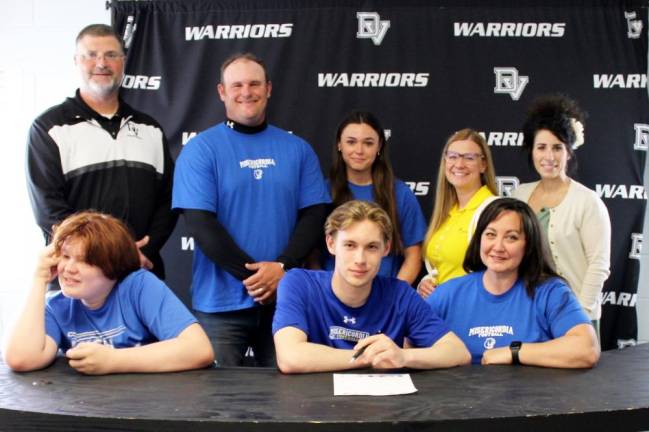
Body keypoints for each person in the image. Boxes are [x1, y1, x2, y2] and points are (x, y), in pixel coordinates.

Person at [172, 52, 330, 367]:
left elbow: (314, 216)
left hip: (285, 301)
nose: (247, 91)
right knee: (220, 406)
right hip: (220, 305)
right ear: (222, 92)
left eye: (255, 83)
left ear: (268, 88)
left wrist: (282, 270)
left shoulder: (297, 149)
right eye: (237, 84)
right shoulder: (201, 150)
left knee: (288, 403)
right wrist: (260, 280)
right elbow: (201, 225)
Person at [26, 24, 177, 280]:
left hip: (141, 274)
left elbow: (169, 199)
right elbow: (49, 210)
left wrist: (145, 251)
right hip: (78, 276)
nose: (101, 63)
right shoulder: (49, 128)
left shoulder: (150, 128)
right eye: (91, 55)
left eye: (111, 55)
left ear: (123, 62)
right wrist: (105, 258)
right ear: (76, 61)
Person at [3, 212, 214, 375]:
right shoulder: (56, 305)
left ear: (113, 267)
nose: (69, 268)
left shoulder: (138, 286)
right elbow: (22, 359)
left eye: (84, 260)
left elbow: (198, 349)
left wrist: (113, 360)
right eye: (65, 256)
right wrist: (38, 280)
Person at [273, 200, 471, 373]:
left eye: (371, 247)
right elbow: (290, 357)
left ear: (386, 249)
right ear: (331, 244)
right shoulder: (298, 283)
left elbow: (457, 352)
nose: (360, 259)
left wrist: (402, 357)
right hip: (316, 409)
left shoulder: (399, 294)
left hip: (383, 411)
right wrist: (368, 357)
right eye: (350, 245)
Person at [426, 198, 600, 367]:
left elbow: (587, 349)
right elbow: (407, 343)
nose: (498, 246)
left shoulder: (550, 292)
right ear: (479, 239)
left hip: (531, 395)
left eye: (511, 238)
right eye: (490, 235)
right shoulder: (449, 293)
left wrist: (513, 352)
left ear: (529, 245)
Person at [512, 95, 611, 330]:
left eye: (557, 147)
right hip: (530, 316)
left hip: (575, 317)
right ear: (531, 151)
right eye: (541, 147)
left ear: (569, 151)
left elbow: (599, 265)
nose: (549, 156)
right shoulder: (518, 196)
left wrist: (580, 316)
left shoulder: (587, 202)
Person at [321, 111, 427, 284]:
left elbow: (414, 256)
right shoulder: (322, 192)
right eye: (351, 142)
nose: (359, 150)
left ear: (379, 147)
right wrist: (325, 292)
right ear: (339, 145)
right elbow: (313, 257)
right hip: (333, 298)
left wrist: (392, 298)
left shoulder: (399, 193)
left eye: (368, 143)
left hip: (385, 299)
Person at [418, 129, 498, 298]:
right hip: (441, 312)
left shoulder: (493, 209)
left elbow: (498, 272)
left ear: (483, 165)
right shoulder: (447, 210)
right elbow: (444, 267)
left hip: (471, 312)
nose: (459, 164)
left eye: (469, 158)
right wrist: (426, 282)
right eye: (453, 156)